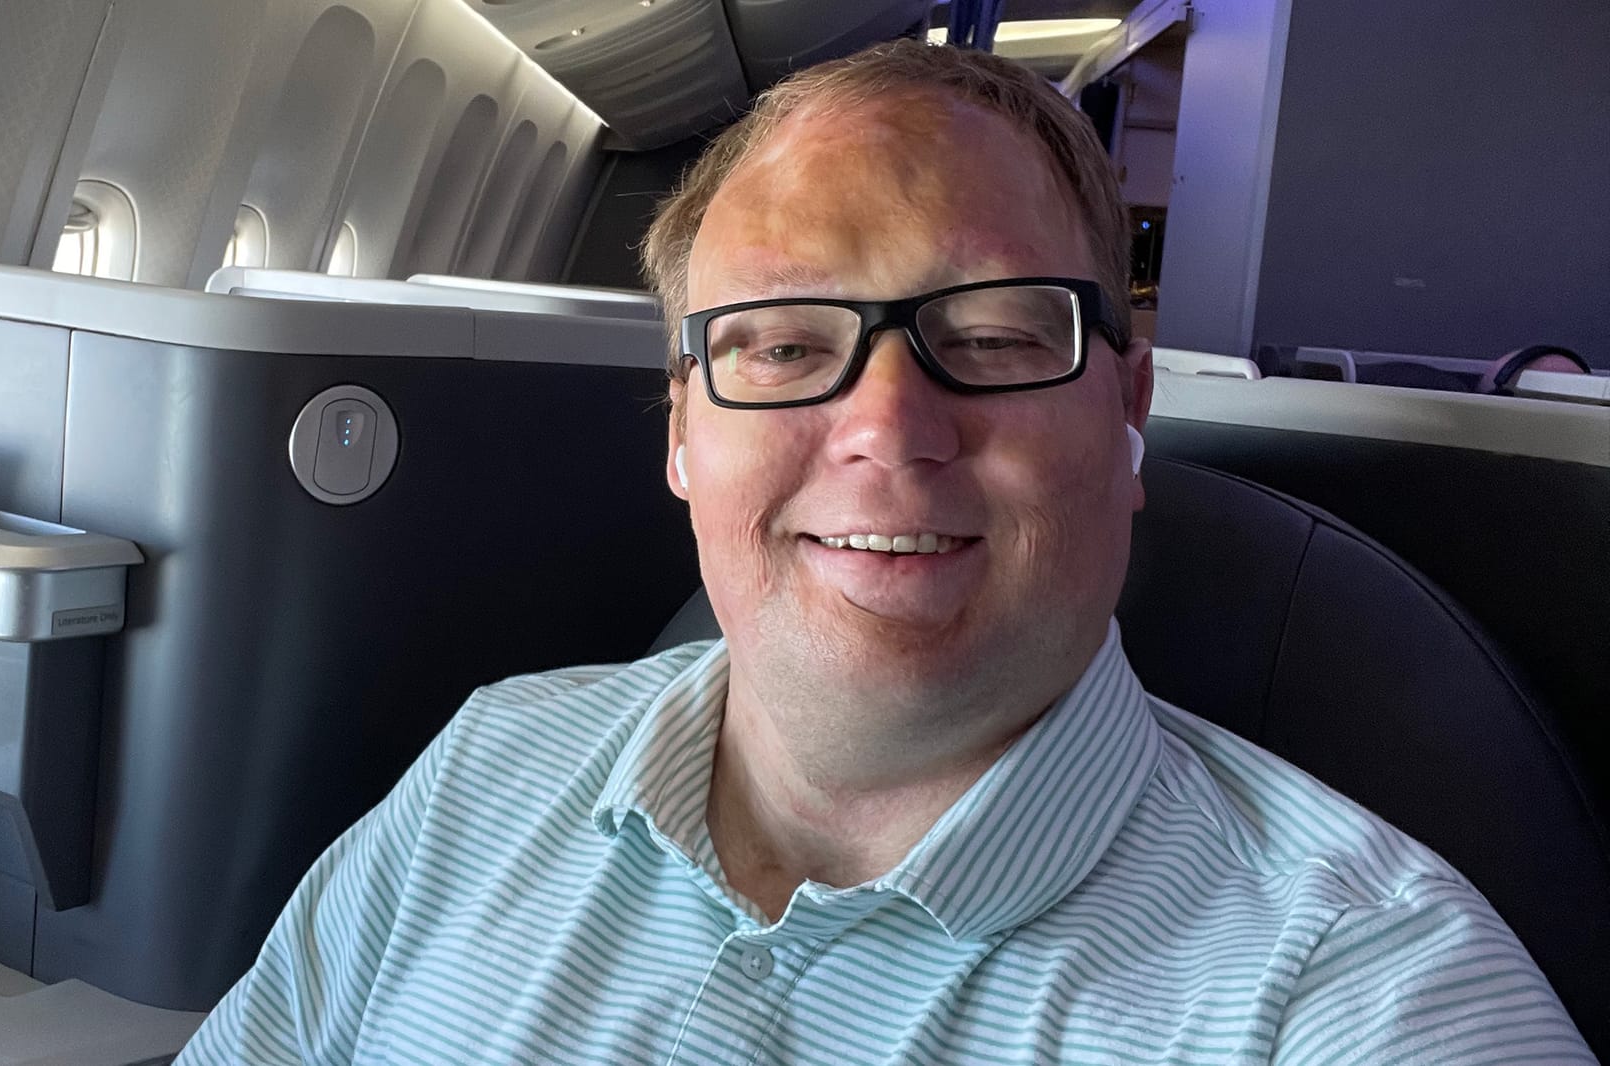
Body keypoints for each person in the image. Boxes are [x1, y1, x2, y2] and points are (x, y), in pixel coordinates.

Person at [179, 40, 1590, 1063]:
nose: (890, 428)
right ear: (682, 433)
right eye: (785, 344)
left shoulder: (1368, 1000)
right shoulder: (484, 774)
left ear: (1126, 405)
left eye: (990, 335)